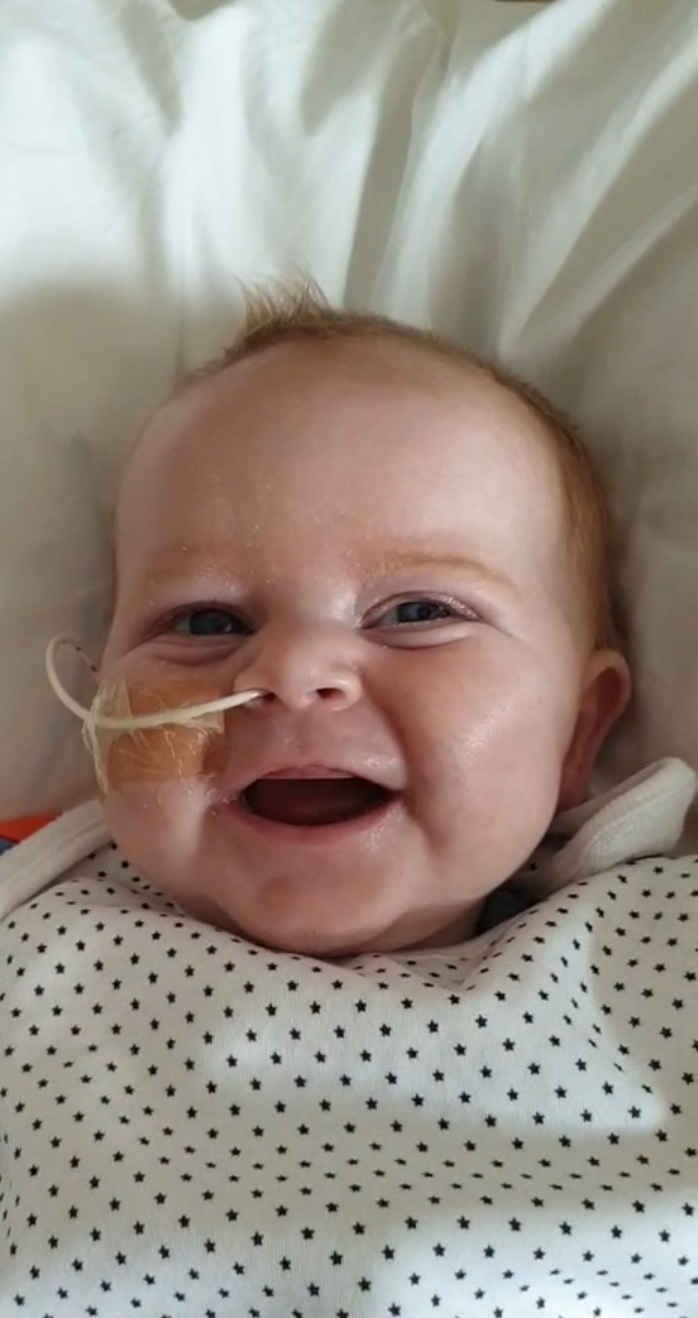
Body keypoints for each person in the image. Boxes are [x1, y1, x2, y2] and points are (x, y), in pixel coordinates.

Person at [0, 284, 695, 1317]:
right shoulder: (32, 921)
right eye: (204, 621)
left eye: (416, 611)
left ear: (577, 732)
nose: (290, 671)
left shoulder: (652, 951)